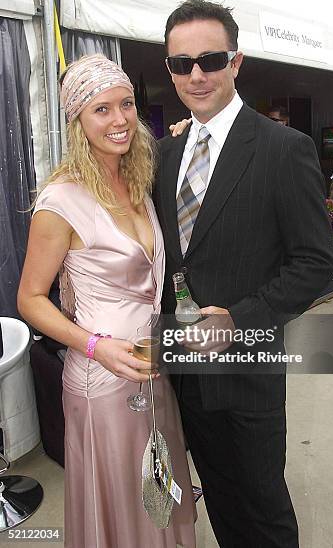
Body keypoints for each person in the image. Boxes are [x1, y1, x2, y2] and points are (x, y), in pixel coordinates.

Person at [154, 0, 333, 548]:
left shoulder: (284, 149)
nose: (196, 74)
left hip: (245, 369)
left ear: (237, 61)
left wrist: (238, 318)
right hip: (180, 372)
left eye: (210, 59)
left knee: (263, 513)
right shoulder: (165, 154)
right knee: (219, 507)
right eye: (181, 63)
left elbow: (315, 263)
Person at [17, 55, 196, 548]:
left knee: (158, 493)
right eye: (101, 110)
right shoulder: (60, 201)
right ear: (77, 119)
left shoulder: (138, 180)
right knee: (119, 507)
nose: (119, 120)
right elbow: (30, 299)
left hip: (151, 368)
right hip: (102, 379)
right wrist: (97, 346)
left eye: (127, 105)